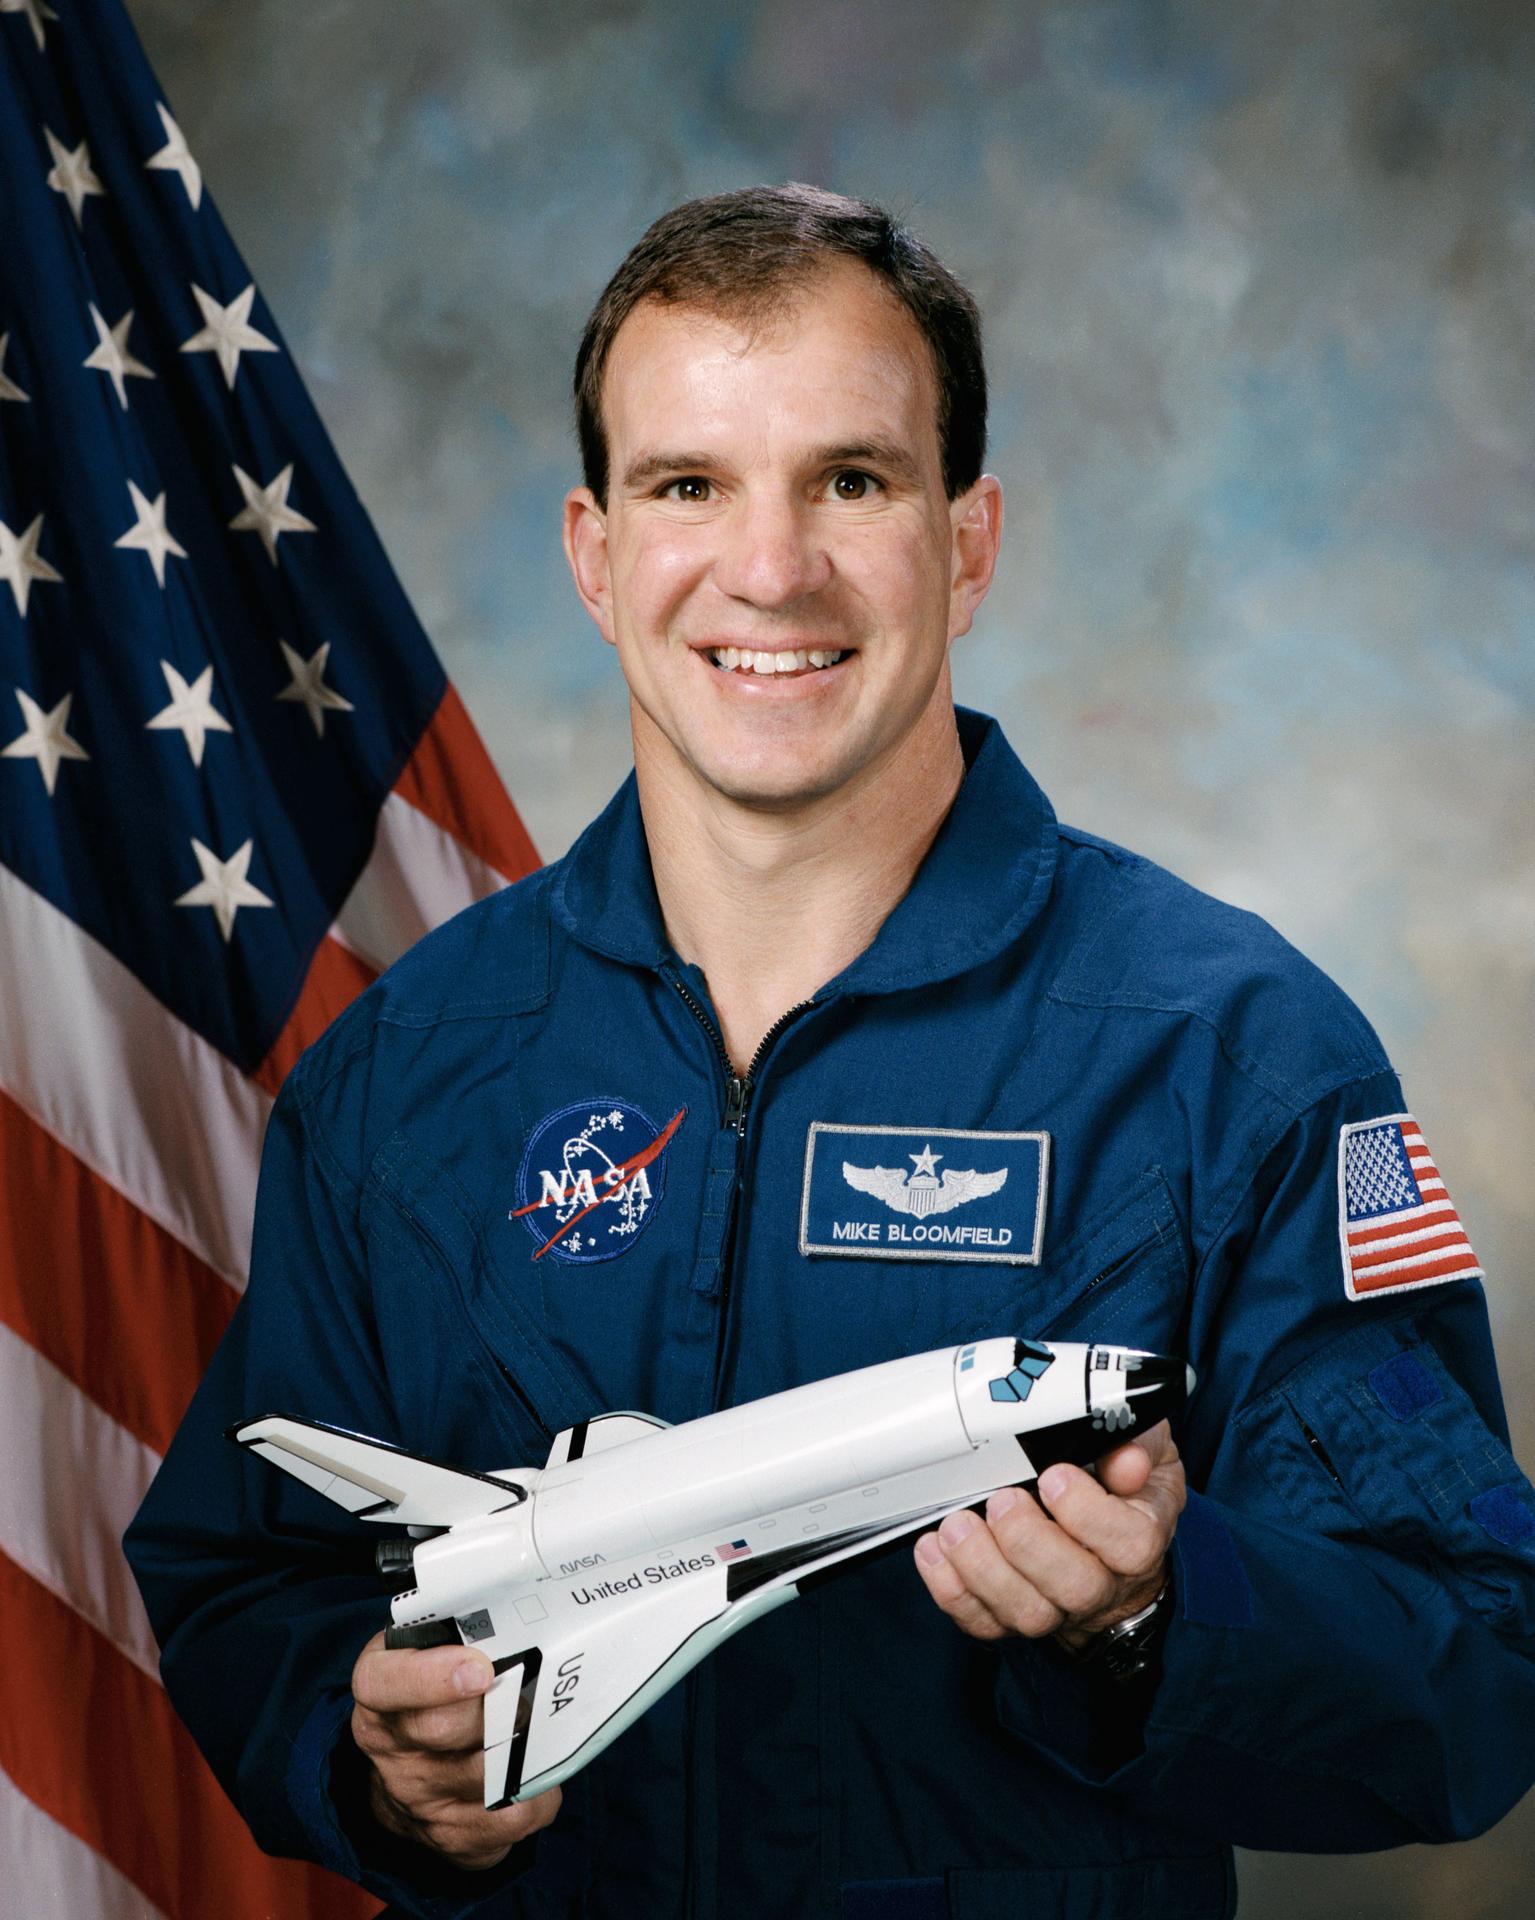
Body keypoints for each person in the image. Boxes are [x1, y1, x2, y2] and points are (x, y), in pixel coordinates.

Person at [126, 184, 1535, 1920]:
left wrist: (1161, 1618)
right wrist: (368, 1761)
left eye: (851, 481)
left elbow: (1474, 1673)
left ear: (967, 542)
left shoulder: (1235, 1056)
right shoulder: (405, 1075)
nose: (770, 569)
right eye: (689, 485)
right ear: (594, 553)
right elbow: (243, 1577)